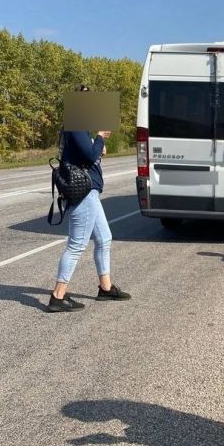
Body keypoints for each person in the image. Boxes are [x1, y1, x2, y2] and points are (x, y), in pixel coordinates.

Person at [48, 86, 131, 313]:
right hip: (83, 192)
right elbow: (90, 154)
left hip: (90, 191)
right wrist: (100, 139)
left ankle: (105, 288)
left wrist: (97, 143)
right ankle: (58, 296)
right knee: (76, 245)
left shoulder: (78, 126)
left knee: (104, 238)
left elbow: (86, 154)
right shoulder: (76, 125)